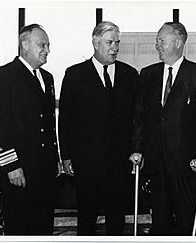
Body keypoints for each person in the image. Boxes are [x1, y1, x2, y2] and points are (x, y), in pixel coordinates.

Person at [129, 22, 196, 235]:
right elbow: (139, 117)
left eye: (161, 41)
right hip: (156, 163)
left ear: (178, 42)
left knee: (188, 221)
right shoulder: (147, 74)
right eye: (157, 40)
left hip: (186, 164)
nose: (157, 45)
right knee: (159, 222)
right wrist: (137, 148)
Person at [58, 21, 139, 235]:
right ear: (95, 43)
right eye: (110, 42)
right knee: (86, 217)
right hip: (86, 163)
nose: (115, 47)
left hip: (118, 163)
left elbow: (137, 118)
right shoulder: (75, 74)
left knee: (116, 217)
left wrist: (135, 148)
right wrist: (66, 156)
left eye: (117, 42)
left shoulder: (130, 75)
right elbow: (64, 119)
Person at [0, 24, 60, 235]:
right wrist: (12, 166)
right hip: (19, 172)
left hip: (45, 172)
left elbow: (48, 124)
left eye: (48, 45)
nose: (47, 50)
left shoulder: (47, 78)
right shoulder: (2, 76)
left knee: (44, 228)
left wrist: (54, 159)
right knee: (20, 229)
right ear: (25, 44)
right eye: (42, 44)